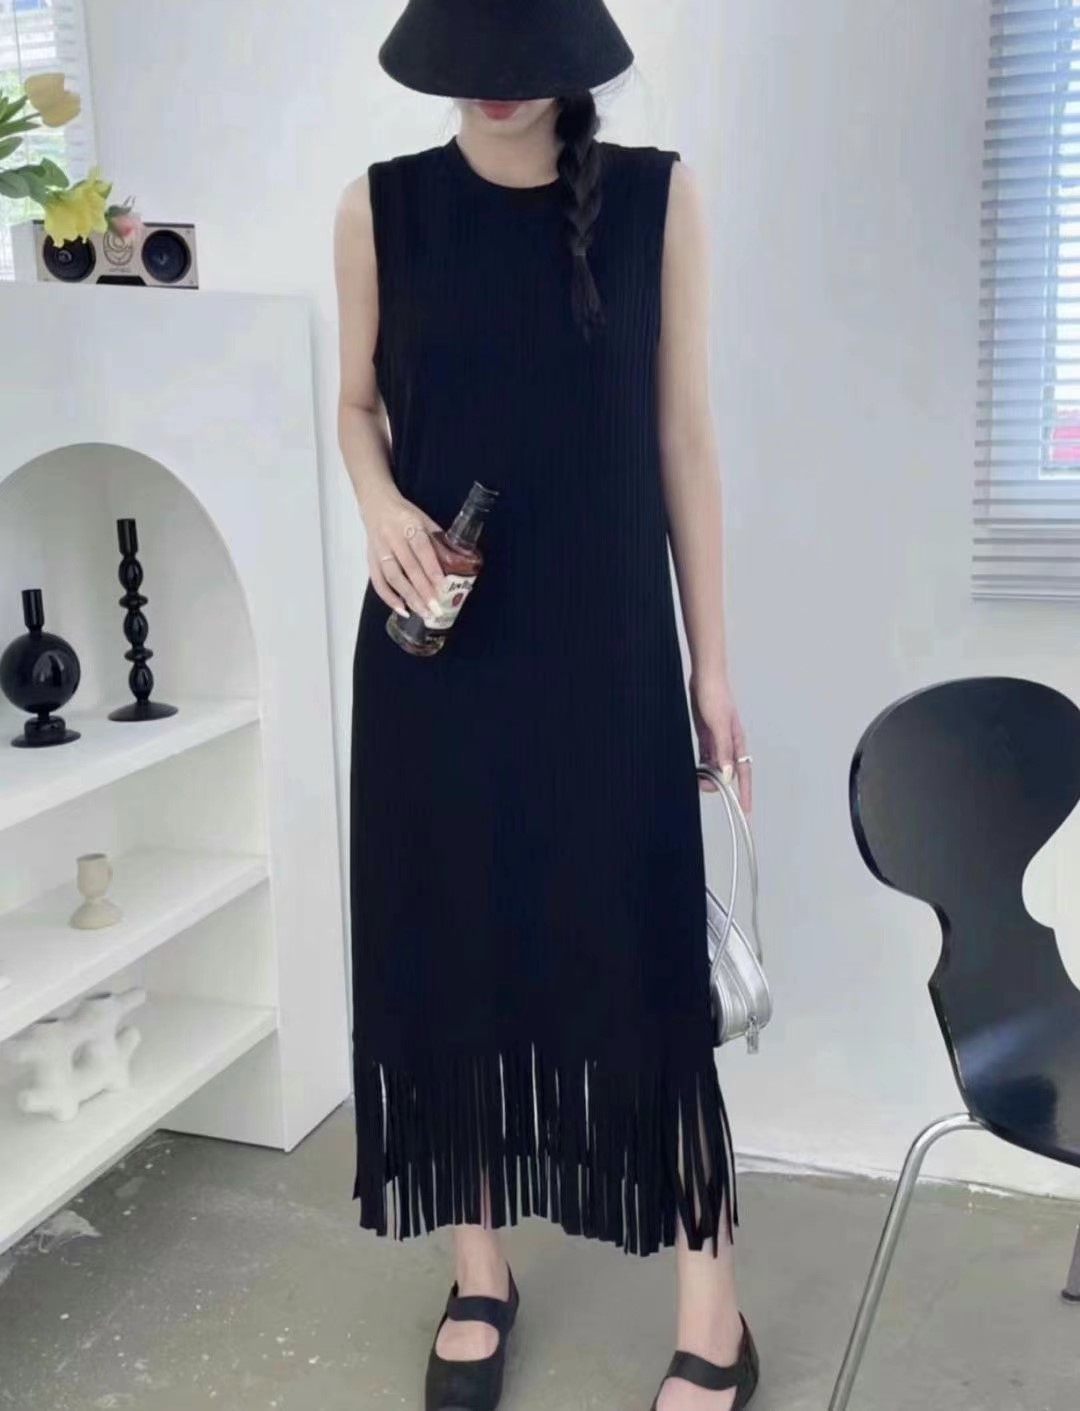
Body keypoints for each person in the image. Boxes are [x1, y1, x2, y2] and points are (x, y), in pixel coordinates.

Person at [334, 2, 756, 1408]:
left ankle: (714, 1311)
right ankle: (479, 1270)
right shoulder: (378, 210)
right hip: (436, 657)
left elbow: (682, 437)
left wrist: (710, 663)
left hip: (608, 655)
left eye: (522, 60)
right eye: (475, 59)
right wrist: (378, 502)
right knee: (449, 945)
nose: (498, 89)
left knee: (643, 961)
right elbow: (354, 406)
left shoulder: (655, 201)